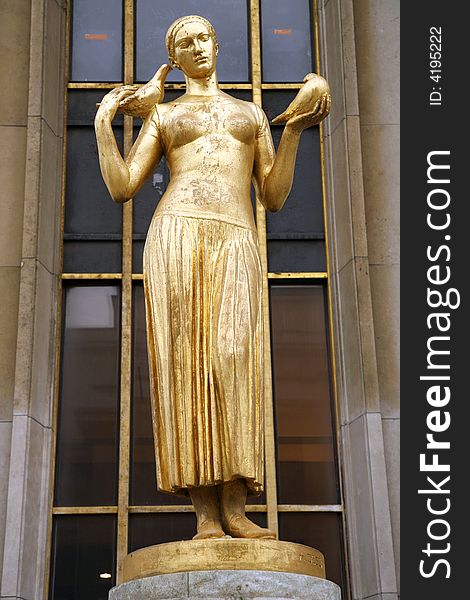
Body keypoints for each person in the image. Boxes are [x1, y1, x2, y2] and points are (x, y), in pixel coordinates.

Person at [94, 15, 330, 541]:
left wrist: (292, 128)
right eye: (184, 43)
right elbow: (122, 186)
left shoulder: (250, 115)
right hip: (177, 237)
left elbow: (271, 195)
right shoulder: (167, 115)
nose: (197, 48)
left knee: (232, 357)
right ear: (174, 59)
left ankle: (237, 507)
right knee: (187, 362)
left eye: (203, 38)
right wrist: (104, 122)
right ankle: (205, 517)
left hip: (237, 237)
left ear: (217, 45)